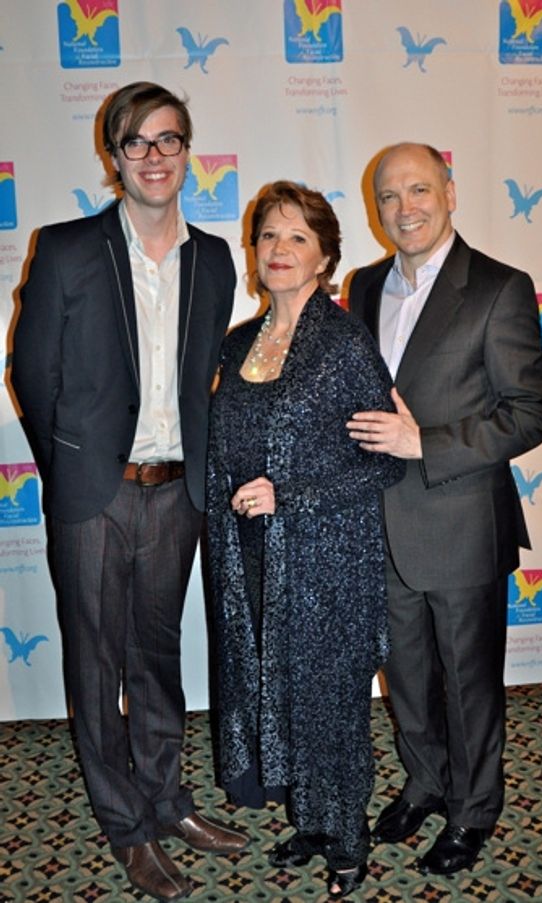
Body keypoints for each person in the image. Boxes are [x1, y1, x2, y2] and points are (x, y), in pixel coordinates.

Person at [11, 82, 247, 902]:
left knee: (156, 655)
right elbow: (31, 373)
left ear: (189, 152)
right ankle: (126, 822)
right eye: (138, 142)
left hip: (178, 492)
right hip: (94, 493)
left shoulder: (214, 258)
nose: (155, 156)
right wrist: (72, 465)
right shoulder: (70, 247)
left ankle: (167, 798)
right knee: (94, 658)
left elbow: (211, 377)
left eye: (170, 140)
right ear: (114, 157)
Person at [346, 143, 542, 876]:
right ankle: (426, 784)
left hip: (462, 522)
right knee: (404, 676)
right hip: (383, 524)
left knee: (468, 685)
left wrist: (423, 441)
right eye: (390, 197)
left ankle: (472, 810)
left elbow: (530, 413)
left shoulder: (499, 287)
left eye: (419, 190)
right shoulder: (364, 286)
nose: (406, 208)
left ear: (450, 191)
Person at [206, 181, 405, 898]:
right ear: (252, 251)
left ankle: (347, 839)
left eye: (297, 237)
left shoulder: (344, 343)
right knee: (280, 691)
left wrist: (289, 496)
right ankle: (312, 819)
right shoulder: (235, 343)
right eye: (268, 236)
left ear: (325, 255)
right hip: (256, 556)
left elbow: (382, 462)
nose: (280, 249)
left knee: (330, 700)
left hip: (328, 557)